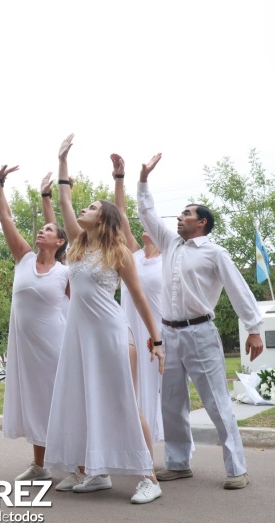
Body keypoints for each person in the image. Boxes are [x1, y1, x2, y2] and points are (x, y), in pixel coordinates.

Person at [44, 134, 166, 505]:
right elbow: (64, 198)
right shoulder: (79, 244)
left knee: (122, 402)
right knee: (83, 401)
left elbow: (141, 300)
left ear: (104, 217)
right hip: (79, 338)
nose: (83, 208)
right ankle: (96, 473)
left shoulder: (118, 252)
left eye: (92, 206)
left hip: (112, 334)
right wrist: (62, 159)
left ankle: (149, 477)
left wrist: (156, 341)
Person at [136, 152, 264, 490]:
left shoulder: (215, 253)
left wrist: (254, 330)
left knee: (217, 402)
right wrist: (143, 180)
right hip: (169, 332)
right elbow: (146, 213)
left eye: (187, 213)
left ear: (202, 222)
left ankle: (237, 468)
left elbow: (239, 290)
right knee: (171, 402)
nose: (179, 217)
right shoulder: (169, 244)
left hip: (201, 332)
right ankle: (178, 464)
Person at [0, 165, 70, 482]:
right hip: (26, 351)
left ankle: (76, 466)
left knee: (60, 403)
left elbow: (83, 307)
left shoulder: (66, 273)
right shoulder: (23, 258)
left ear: (61, 242)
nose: (42, 231)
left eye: (50, 230)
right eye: (42, 229)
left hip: (57, 347)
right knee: (37, 403)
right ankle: (40, 466)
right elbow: (6, 219)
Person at [111, 153, 164, 444]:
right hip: (128, 330)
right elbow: (119, 218)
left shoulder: (168, 259)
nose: (144, 227)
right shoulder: (133, 255)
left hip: (156, 333)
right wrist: (120, 178)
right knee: (129, 389)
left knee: (155, 391)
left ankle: (159, 451)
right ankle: (133, 446)